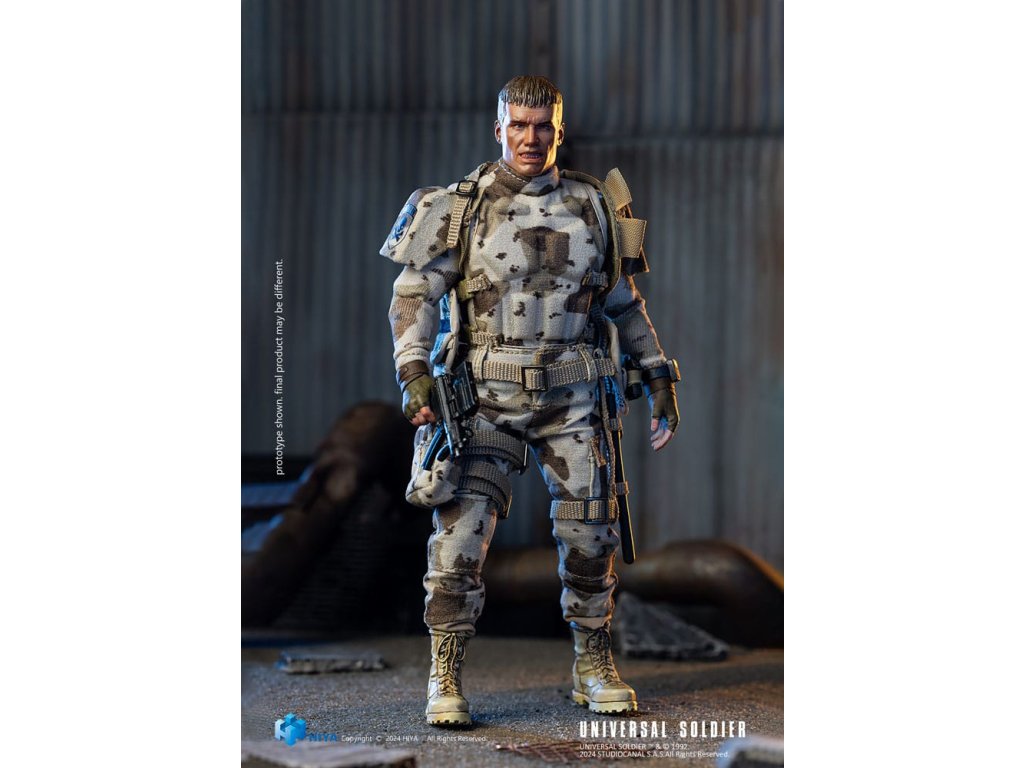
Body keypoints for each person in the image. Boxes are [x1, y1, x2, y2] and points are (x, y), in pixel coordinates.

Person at [381, 75, 679, 726]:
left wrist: (658, 373)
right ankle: (445, 673)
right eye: (518, 125)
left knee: (591, 534)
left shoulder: (594, 206)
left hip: (573, 396)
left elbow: (624, 303)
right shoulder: (459, 207)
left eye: (543, 126)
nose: (530, 138)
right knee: (459, 540)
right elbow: (413, 294)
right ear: (499, 129)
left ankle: (592, 663)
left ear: (559, 131)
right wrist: (414, 371)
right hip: (484, 399)